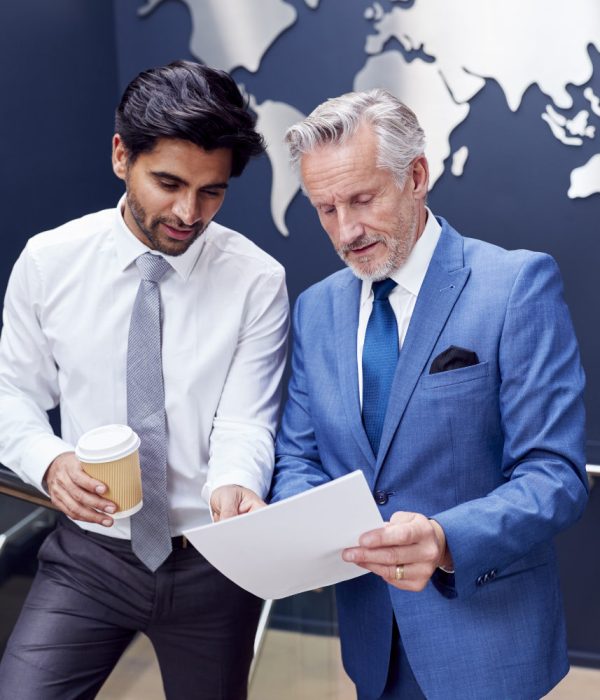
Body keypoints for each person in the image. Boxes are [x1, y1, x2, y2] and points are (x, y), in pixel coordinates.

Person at [270, 89, 587, 700]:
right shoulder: (316, 308)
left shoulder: (516, 285)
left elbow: (556, 475)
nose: (347, 229)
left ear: (416, 175)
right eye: (325, 209)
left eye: (362, 199)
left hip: (488, 643)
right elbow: (299, 456)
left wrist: (444, 540)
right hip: (371, 645)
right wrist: (296, 530)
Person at [0, 61, 289, 699]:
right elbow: (12, 395)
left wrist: (236, 484)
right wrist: (49, 462)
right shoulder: (48, 264)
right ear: (120, 156)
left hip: (214, 563)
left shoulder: (257, 280)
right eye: (168, 182)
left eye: (212, 191)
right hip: (89, 559)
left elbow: (246, 418)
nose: (189, 212)